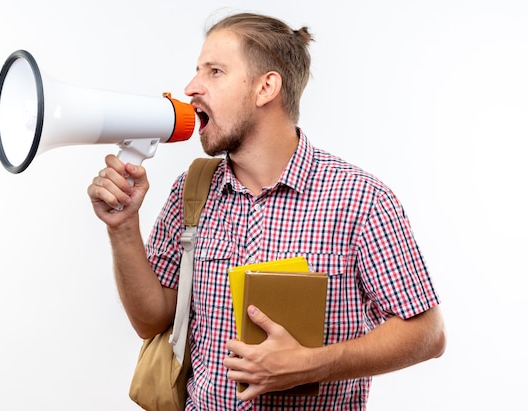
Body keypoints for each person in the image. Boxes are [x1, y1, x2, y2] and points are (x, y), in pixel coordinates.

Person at [88, 12, 446, 411]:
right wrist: (122, 226)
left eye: (215, 71)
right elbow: (151, 321)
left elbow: (427, 335)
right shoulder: (191, 191)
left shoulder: (360, 199)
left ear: (266, 88)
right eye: (197, 70)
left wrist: (313, 365)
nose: (191, 87)